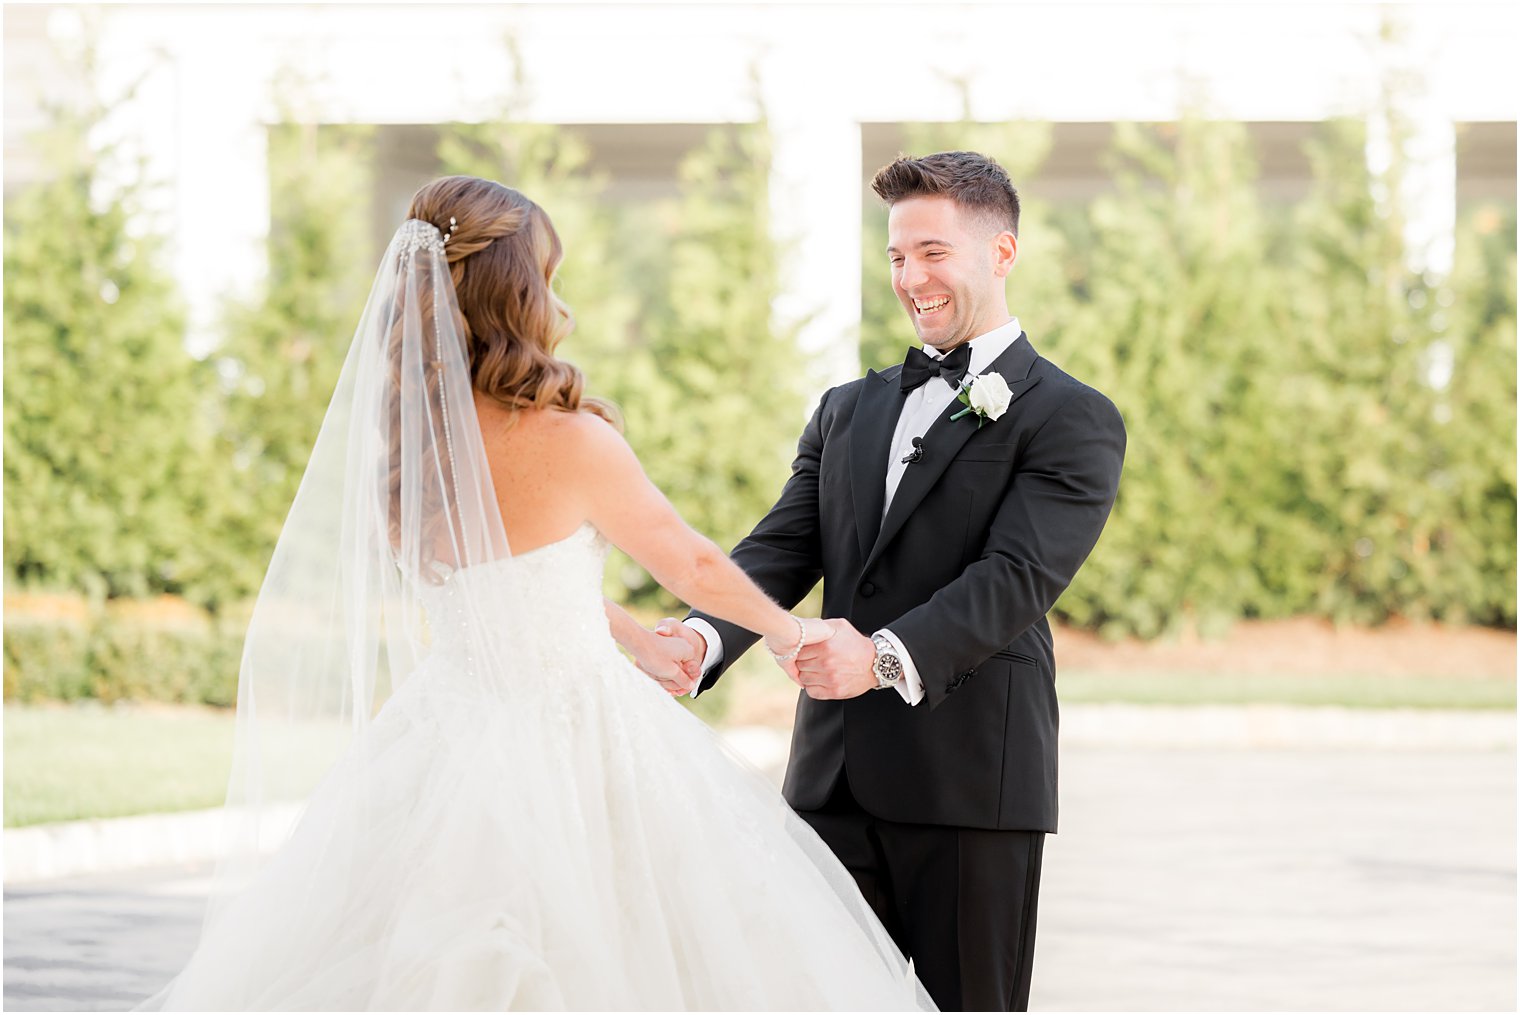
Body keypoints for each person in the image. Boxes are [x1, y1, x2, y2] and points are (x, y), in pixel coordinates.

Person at [138, 176, 934, 1011]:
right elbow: (692, 564)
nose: (560, 300)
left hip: (443, 730)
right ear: (515, 294)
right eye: (547, 279)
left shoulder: (409, 451)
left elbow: (505, 582)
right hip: (576, 730)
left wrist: (632, 635)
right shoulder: (569, 439)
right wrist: (782, 628)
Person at [652, 150, 1127, 1012]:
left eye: (934, 252)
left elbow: (1016, 578)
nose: (912, 278)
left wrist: (879, 658)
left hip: (970, 784)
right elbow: (781, 549)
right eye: (898, 257)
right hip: (831, 780)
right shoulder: (846, 407)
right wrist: (702, 634)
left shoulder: (1071, 416)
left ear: (1003, 253)